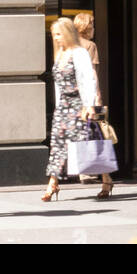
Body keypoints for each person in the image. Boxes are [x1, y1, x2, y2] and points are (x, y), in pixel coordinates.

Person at [42, 18, 101, 202]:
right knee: (58, 145)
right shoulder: (60, 54)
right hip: (64, 106)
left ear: (67, 33)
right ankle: (52, 184)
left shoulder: (80, 53)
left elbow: (88, 79)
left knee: (87, 142)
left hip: (78, 104)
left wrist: (89, 104)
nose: (56, 38)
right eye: (54, 35)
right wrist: (58, 104)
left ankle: (106, 178)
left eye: (59, 34)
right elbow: (58, 84)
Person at [73, 12, 113, 200]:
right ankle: (104, 178)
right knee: (96, 138)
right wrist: (98, 97)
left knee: (85, 136)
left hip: (74, 98)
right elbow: (93, 74)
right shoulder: (90, 46)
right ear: (86, 26)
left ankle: (101, 177)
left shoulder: (68, 46)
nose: (94, 27)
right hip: (86, 99)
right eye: (92, 24)